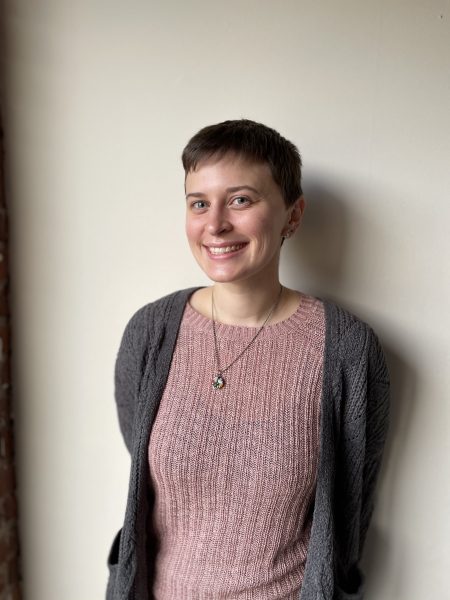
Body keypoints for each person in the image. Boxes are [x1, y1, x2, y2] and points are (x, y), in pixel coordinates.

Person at [106, 119, 390, 600]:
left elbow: (349, 512)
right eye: (199, 203)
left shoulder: (347, 350)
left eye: (240, 200)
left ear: (293, 216)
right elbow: (140, 463)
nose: (215, 224)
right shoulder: (151, 332)